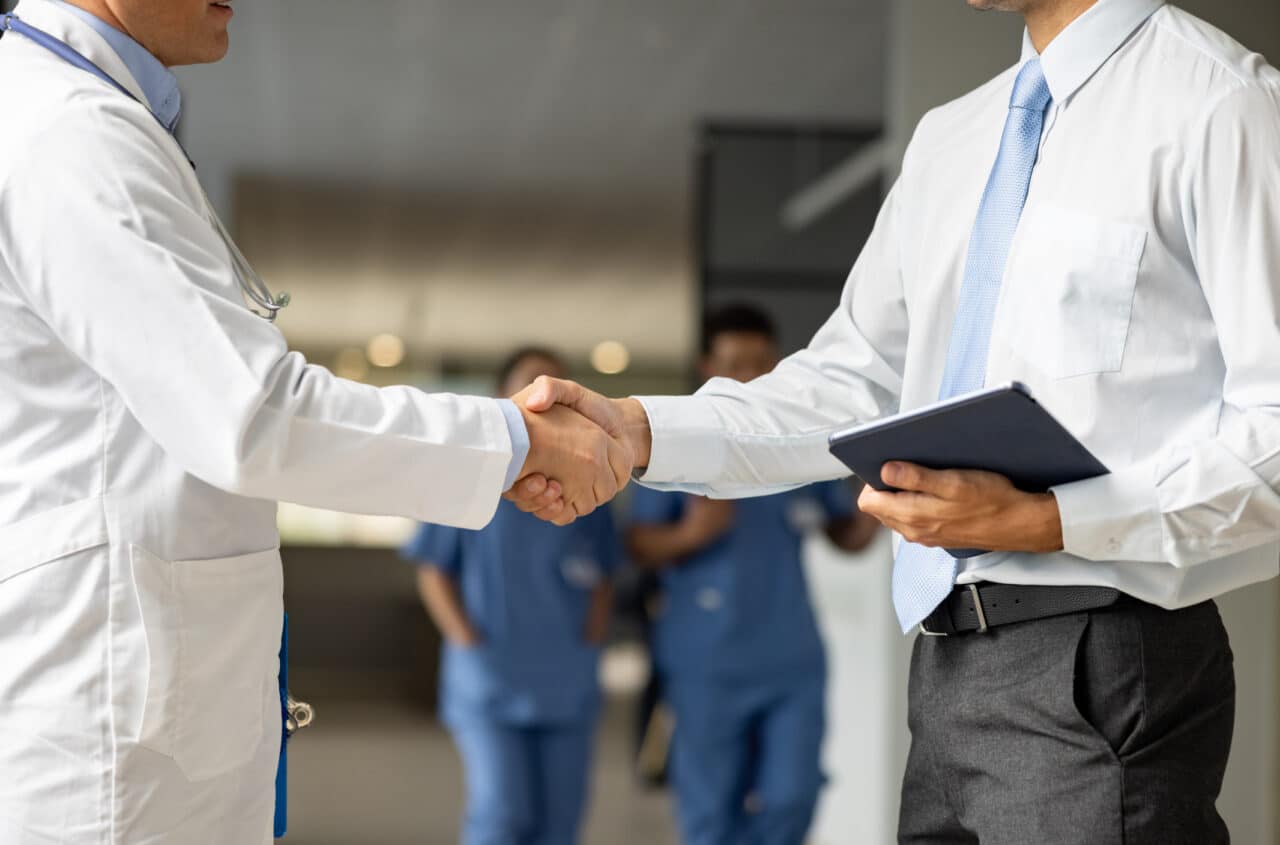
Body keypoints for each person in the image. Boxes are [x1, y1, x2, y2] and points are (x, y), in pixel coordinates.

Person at [510, 1, 1280, 841]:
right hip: (947, 662)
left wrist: (1054, 517)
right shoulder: (952, 139)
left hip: (1101, 654)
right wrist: (636, 429)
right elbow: (851, 383)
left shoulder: (1220, 104)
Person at [0, 1, 621, 840]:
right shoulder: (72, 134)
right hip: (104, 713)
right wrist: (514, 441)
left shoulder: (90, 119)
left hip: (132, 682)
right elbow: (250, 411)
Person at [627, 305, 877, 845]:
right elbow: (637, 545)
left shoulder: (796, 446)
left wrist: (879, 490)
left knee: (793, 798)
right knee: (709, 814)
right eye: (736, 364)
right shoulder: (676, 443)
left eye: (762, 363)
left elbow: (849, 537)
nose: (750, 377)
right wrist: (693, 535)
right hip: (707, 662)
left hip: (792, 661)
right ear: (706, 367)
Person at [402, 347, 619, 845]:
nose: (549, 403)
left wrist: (592, 635)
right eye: (533, 387)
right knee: (502, 816)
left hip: (567, 675)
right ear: (504, 397)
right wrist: (465, 637)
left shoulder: (590, 483)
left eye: (560, 392)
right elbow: (434, 570)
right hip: (490, 676)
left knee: (559, 823)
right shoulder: (468, 476)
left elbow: (605, 571)